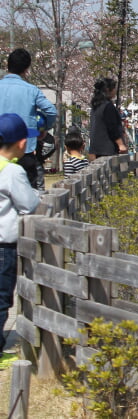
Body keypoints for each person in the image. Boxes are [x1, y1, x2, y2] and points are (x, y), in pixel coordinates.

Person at [0, 113, 40, 359]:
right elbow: (29, 204)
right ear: (22, 142)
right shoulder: (12, 172)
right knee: (2, 298)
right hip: (4, 247)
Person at [0, 50, 57, 190]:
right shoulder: (32, 90)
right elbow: (51, 111)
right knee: (28, 191)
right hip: (24, 149)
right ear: (27, 69)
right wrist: (42, 130)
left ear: (8, 66)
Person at [89, 78, 127, 159]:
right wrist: (120, 144)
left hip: (96, 148)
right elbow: (112, 127)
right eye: (114, 88)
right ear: (107, 89)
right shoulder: (108, 106)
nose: (115, 90)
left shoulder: (95, 106)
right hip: (108, 148)